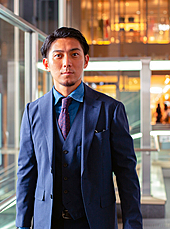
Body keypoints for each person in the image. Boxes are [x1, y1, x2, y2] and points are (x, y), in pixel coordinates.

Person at [16, 27, 142, 229]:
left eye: (74, 54)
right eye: (58, 56)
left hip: (95, 222)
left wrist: (132, 224)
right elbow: (26, 172)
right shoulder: (33, 111)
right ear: (47, 64)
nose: (67, 63)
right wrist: (22, 224)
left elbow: (126, 173)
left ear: (85, 61)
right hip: (47, 222)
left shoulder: (111, 109)